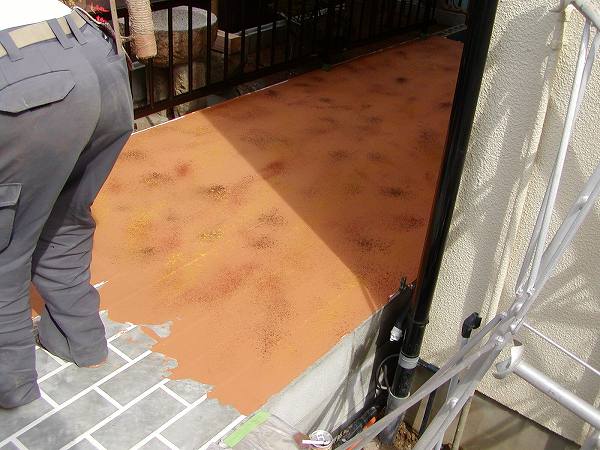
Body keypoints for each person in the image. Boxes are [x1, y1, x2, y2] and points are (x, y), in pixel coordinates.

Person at [0, 0, 133, 408]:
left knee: (5, 253)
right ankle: (81, 342)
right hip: (92, 53)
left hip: (23, 78)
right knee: (66, 219)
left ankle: (12, 387)